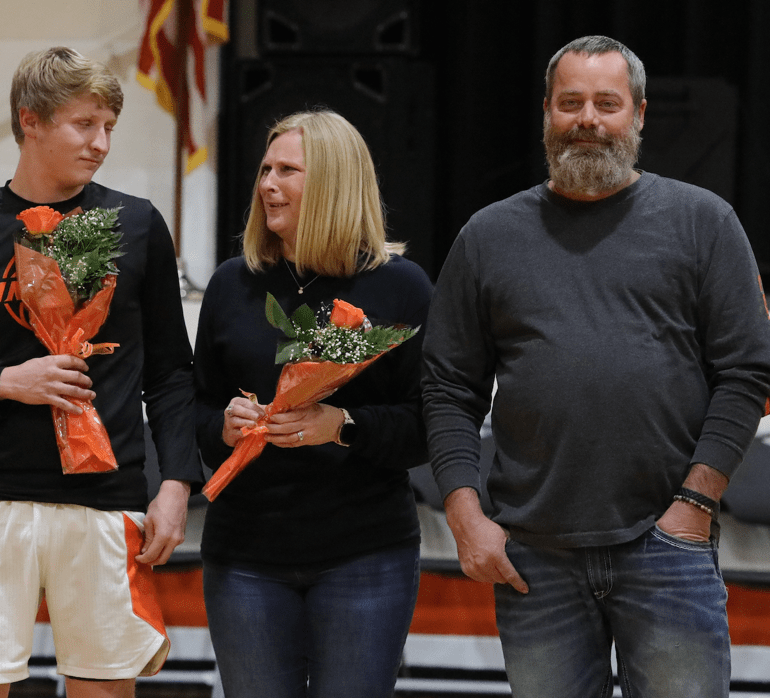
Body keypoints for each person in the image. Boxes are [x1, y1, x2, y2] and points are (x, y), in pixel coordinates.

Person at [422, 35, 770, 698]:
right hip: (533, 557)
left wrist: (694, 504)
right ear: (547, 113)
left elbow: (748, 371)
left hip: (668, 544)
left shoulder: (703, 223)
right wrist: (465, 515)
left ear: (638, 114)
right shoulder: (488, 237)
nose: (588, 119)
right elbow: (446, 388)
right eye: (571, 102)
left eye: (606, 103)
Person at [0, 47, 202, 698]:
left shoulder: (136, 225)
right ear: (30, 121)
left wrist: (175, 487)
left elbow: (170, 373)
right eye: (85, 124)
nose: (102, 143)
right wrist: (3, 382)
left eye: (109, 125)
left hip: (108, 508)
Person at [193, 110, 431, 698]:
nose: (267, 183)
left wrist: (342, 426)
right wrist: (223, 426)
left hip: (365, 556)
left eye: (287, 171)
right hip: (244, 555)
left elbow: (430, 426)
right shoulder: (231, 283)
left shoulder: (401, 287)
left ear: (333, 183)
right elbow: (193, 411)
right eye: (265, 169)